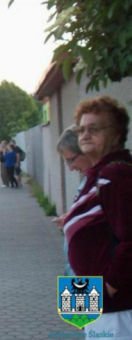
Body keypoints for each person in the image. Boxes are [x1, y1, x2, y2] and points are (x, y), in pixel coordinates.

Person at [63, 96, 132, 338]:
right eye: (82, 129)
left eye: (95, 129)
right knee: (83, 330)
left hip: (113, 303)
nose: (85, 135)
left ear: (115, 135)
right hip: (87, 290)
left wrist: (111, 286)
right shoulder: (96, 173)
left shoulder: (115, 173)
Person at [52, 126, 93, 276]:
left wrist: (111, 284)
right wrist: (70, 219)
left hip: (88, 275)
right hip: (76, 271)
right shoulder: (88, 182)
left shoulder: (105, 183)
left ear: (86, 151)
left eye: (71, 160)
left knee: (79, 301)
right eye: (66, 163)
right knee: (70, 301)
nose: (70, 168)